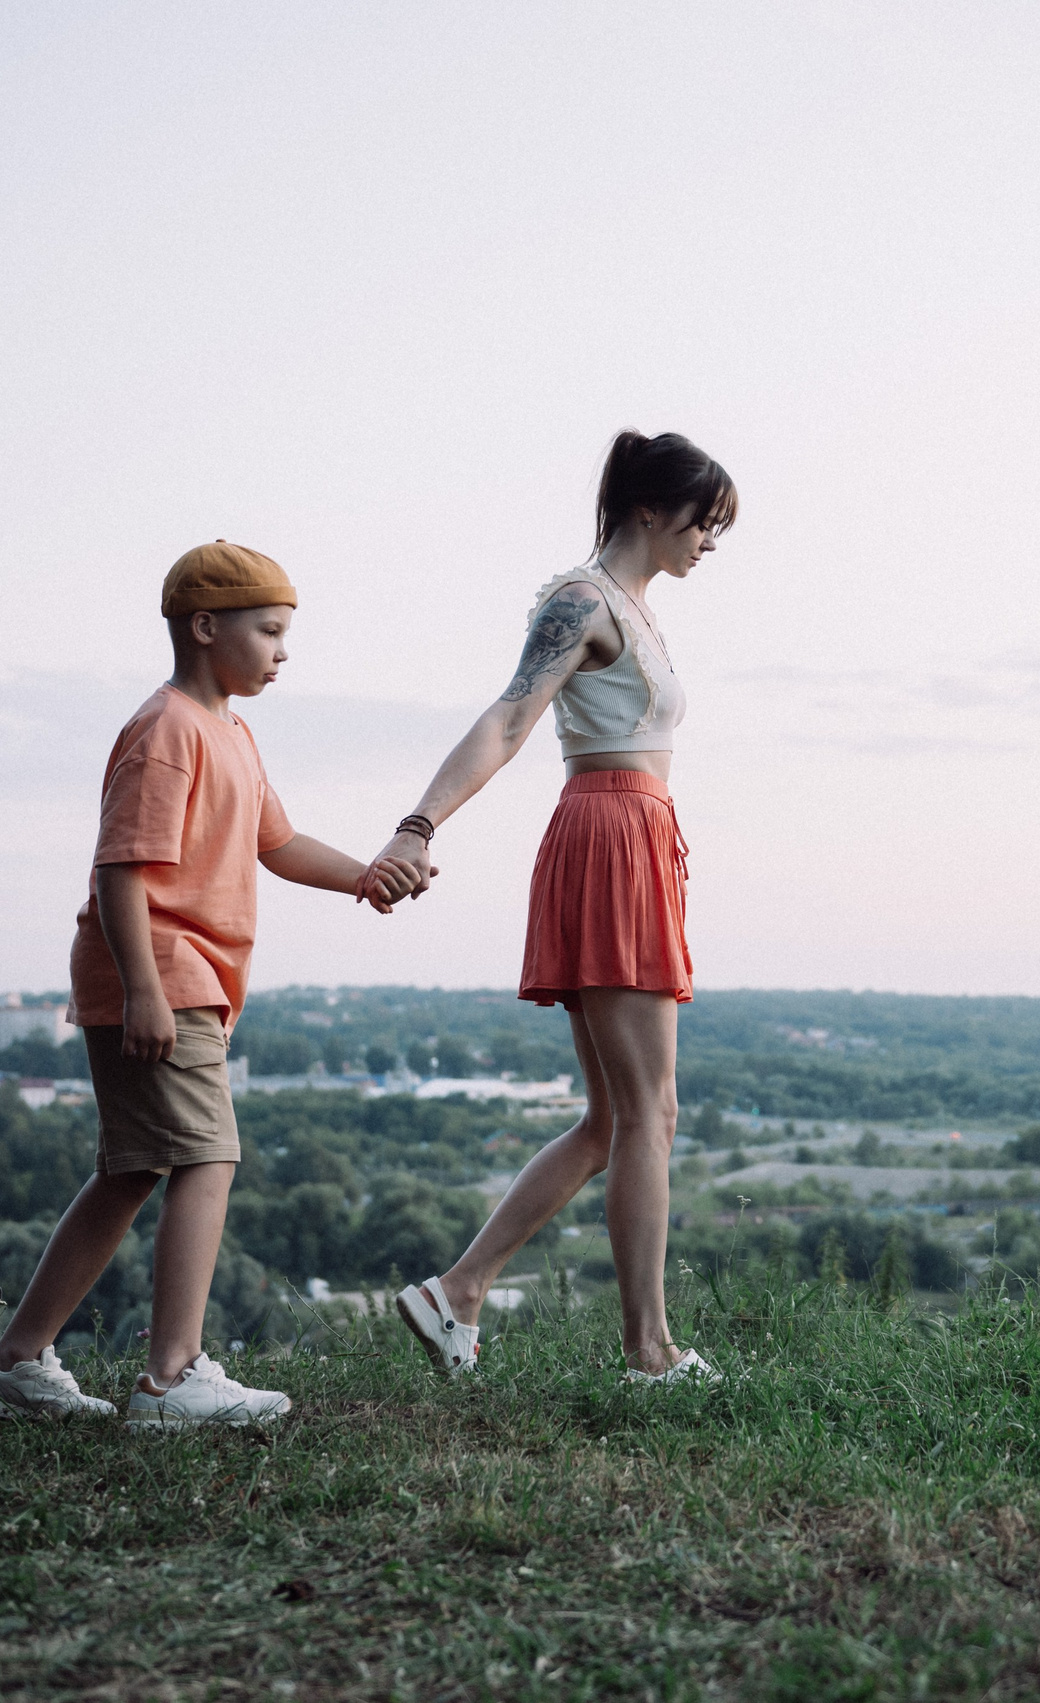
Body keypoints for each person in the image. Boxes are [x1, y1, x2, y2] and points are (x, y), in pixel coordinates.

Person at [0, 541, 425, 1424]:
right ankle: (172, 1379)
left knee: (130, 1172)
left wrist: (365, 874)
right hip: (161, 971)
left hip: (184, 975)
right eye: (271, 631)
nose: (284, 651)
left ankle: (11, 1363)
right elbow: (121, 868)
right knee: (208, 1155)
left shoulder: (234, 734)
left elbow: (277, 843)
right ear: (208, 627)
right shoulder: (168, 728)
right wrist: (141, 986)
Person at [360, 431, 736, 1385]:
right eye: (706, 521)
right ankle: (649, 1351)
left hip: (630, 836)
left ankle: (460, 1289)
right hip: (612, 835)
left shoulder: (634, 608)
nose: (712, 541)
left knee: (615, 1118)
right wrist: (419, 824)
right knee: (651, 1110)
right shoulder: (583, 600)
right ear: (652, 509)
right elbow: (509, 717)